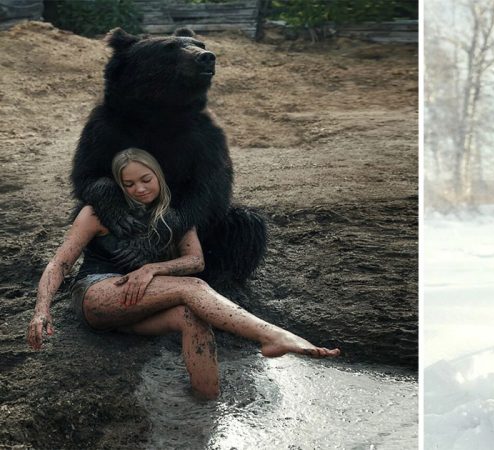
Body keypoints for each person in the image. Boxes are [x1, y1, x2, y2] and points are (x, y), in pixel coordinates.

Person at [27, 148, 340, 400]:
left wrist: (153, 268)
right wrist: (41, 311)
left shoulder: (176, 213)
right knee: (191, 288)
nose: (139, 189)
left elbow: (195, 260)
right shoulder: (96, 213)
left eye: (145, 179)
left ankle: (206, 403)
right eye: (129, 184)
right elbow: (59, 264)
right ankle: (272, 336)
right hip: (96, 294)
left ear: (159, 177)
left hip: (138, 304)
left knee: (191, 317)